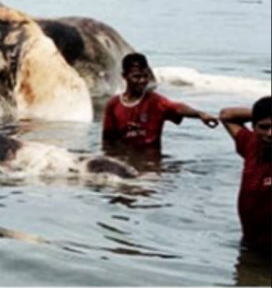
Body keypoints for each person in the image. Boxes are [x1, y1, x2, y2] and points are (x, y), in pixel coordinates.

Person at [102, 53, 219, 151]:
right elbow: (107, 140)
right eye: (136, 77)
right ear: (125, 76)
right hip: (125, 159)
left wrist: (200, 114)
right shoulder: (113, 105)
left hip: (151, 164)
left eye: (145, 76)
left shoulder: (155, 102)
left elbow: (177, 108)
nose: (142, 81)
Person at [219, 96, 271, 252]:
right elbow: (226, 116)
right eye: (264, 127)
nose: (270, 133)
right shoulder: (251, 145)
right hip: (250, 245)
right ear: (254, 127)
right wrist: (261, 112)